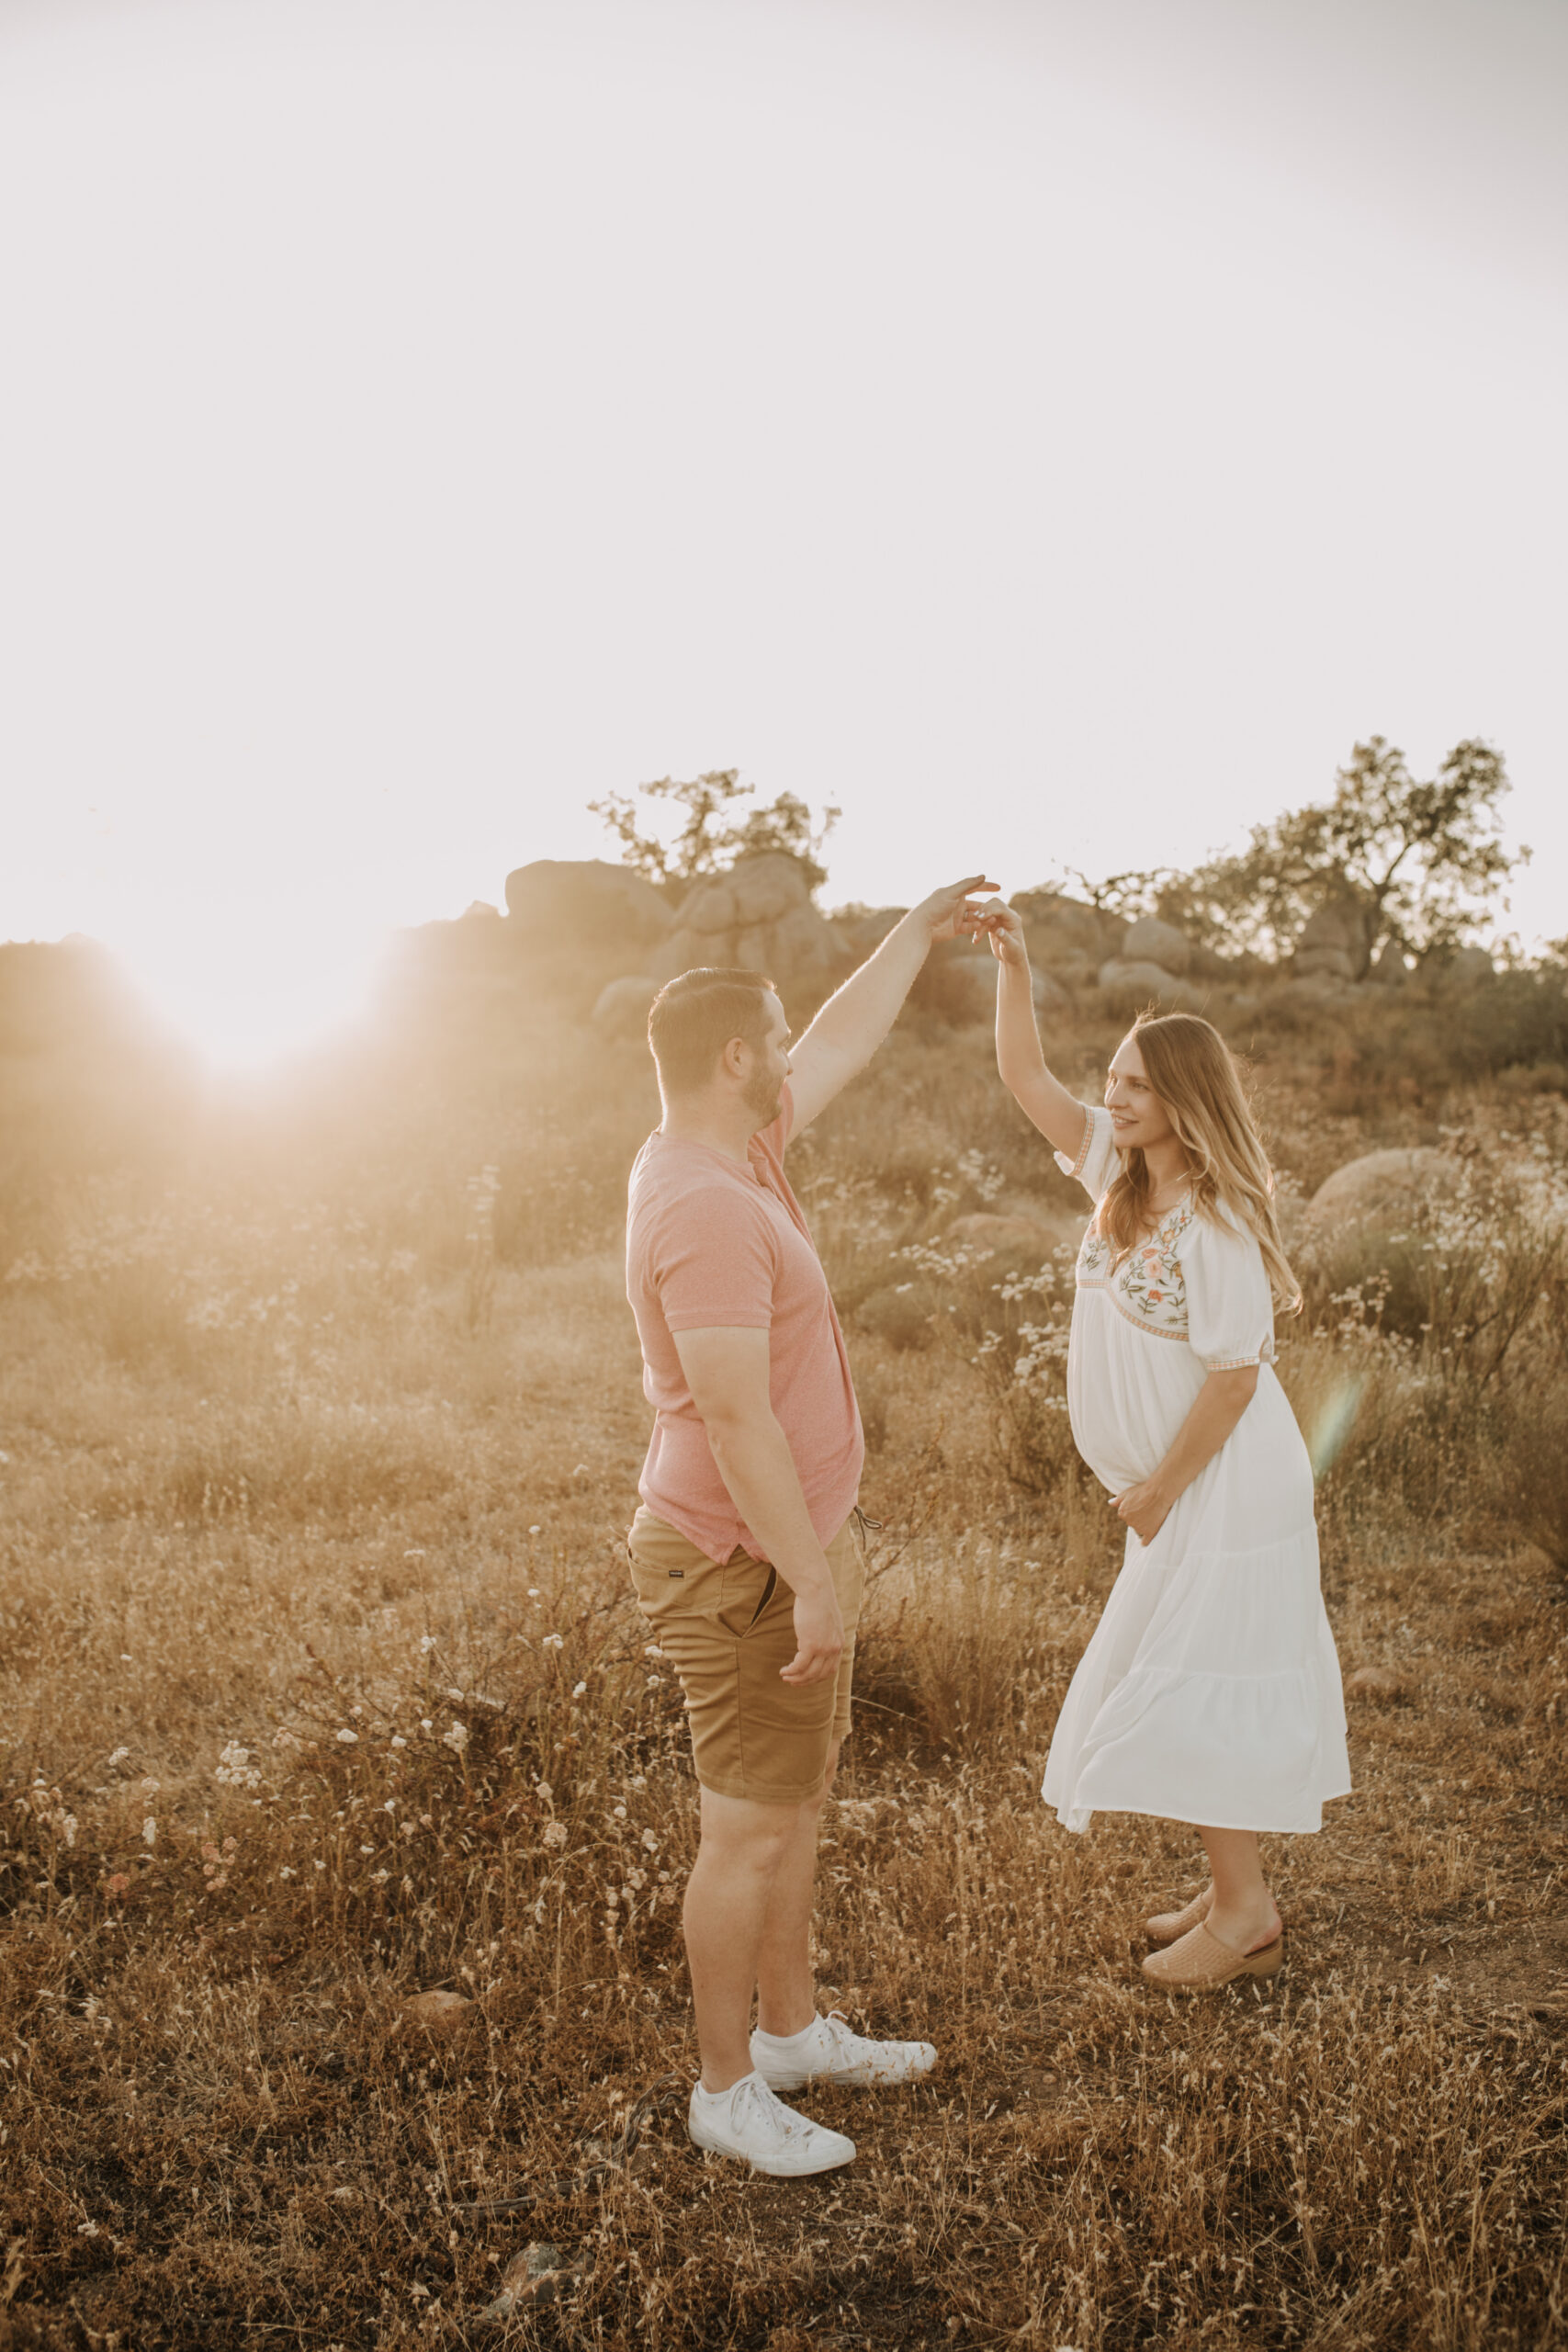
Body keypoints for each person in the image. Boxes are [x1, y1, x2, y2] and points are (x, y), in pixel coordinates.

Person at [626, 875, 996, 2174]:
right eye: (770, 1039)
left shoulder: (732, 1147)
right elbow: (733, 1421)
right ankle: (725, 2092)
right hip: (739, 1562)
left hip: (776, 1547)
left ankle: (789, 2033)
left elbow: (838, 1034)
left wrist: (916, 928)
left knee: (789, 1804)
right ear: (735, 1057)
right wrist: (811, 1580)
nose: (791, 1057)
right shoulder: (707, 1208)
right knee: (745, 1829)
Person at [980, 901, 1350, 1988]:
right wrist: (1017, 970)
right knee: (1183, 1665)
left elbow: (1237, 1379)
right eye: (1114, 1080)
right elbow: (1022, 1078)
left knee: (1192, 1671)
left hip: (1219, 1482)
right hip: (1179, 1486)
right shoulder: (1118, 1180)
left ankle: (1246, 1914)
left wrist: (1155, 1492)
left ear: (1183, 1098)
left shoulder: (1218, 1221)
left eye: (1135, 1086)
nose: (1113, 1097)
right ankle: (1227, 1881)